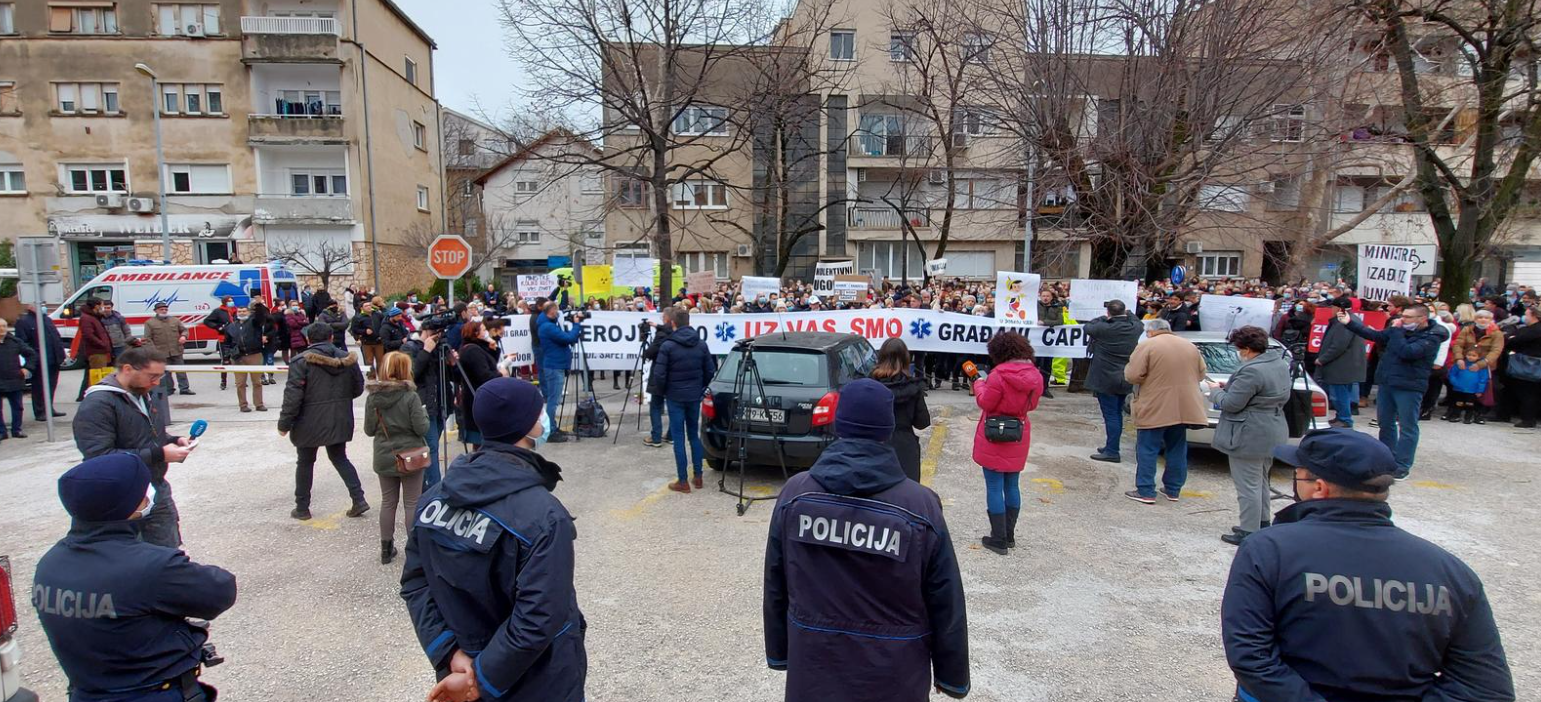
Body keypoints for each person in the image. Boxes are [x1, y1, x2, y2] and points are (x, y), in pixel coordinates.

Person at [1221, 429, 1515, 702]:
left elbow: (1251, 657)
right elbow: (1485, 688)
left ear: (1319, 488)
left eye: (1296, 474)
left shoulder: (1267, 550)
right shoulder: (1451, 573)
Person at [763, 378, 969, 702]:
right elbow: (946, 598)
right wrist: (951, 675)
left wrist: (780, 652)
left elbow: (776, 582)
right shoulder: (921, 506)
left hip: (814, 667)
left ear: (837, 425)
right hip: (895, 675)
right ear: (888, 430)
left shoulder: (795, 495)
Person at [400, 378, 587, 702]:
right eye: (539, 410)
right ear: (526, 425)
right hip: (539, 679)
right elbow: (539, 617)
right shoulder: (544, 516)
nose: (543, 417)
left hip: (462, 672)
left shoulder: (433, 498)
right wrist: (480, 678)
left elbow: (415, 583)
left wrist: (451, 654)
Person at [31, 453, 238, 702]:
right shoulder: (151, 566)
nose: (149, 493)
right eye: (143, 489)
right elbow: (220, 590)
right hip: (154, 692)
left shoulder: (50, 564)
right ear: (129, 503)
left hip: (87, 692)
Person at [74, 346, 193, 548]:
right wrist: (159, 454)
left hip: (156, 487)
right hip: (120, 496)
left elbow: (145, 433)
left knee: (168, 553)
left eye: (160, 377)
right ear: (128, 369)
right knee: (131, 554)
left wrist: (172, 440)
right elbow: (99, 457)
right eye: (152, 376)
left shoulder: (142, 393)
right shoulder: (98, 404)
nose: (156, 383)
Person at [1337, 303, 1448, 479]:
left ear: (1422, 319)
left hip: (1409, 385)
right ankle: (1387, 457)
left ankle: (1403, 464)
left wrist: (1396, 331)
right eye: (1402, 316)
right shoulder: (1399, 330)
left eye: (1407, 317)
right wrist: (1350, 323)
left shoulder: (1432, 336)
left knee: (1407, 425)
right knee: (1385, 422)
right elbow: (1376, 335)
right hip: (1388, 381)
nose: (1402, 320)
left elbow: (1408, 352)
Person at [1204, 326, 1290, 546]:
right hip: (1272, 428)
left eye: (1239, 348)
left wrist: (1215, 391)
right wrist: (1231, 387)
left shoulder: (1252, 371)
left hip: (1249, 432)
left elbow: (1231, 404)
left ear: (1247, 349)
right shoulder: (1279, 363)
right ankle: (1261, 522)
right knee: (1261, 481)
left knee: (1248, 485)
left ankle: (1248, 530)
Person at [279, 322, 369, 521]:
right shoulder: (347, 358)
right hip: (339, 416)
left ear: (308, 339)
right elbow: (357, 388)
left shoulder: (300, 361)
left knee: (305, 462)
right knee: (340, 457)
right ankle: (359, 499)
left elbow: (293, 396)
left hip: (307, 420)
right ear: (331, 337)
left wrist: (284, 424)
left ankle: (302, 507)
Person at [970, 330, 1043, 555]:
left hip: (994, 432)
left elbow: (986, 402)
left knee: (994, 486)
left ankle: (998, 538)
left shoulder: (997, 375)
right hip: (1018, 431)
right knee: (1012, 484)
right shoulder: (1036, 376)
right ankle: (1009, 535)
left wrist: (978, 383)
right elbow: (1032, 405)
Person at [1122, 319, 1208, 504]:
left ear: (1150, 331)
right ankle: (1173, 489)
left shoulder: (1147, 346)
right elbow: (1201, 374)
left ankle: (1145, 490)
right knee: (1177, 447)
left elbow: (1133, 375)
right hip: (1184, 406)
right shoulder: (1189, 346)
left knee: (1147, 448)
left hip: (1155, 404)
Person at [364, 351, 429, 565]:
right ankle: (414, 550)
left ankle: (386, 548)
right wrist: (424, 413)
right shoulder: (410, 397)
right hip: (411, 456)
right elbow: (421, 428)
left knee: (388, 502)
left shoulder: (373, 398)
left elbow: (369, 430)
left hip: (384, 455)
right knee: (412, 502)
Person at [650, 306, 715, 492]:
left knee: (678, 438)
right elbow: (710, 371)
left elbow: (659, 374)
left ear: (672, 323)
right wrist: (700, 388)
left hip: (675, 396)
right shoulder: (701, 344)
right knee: (693, 435)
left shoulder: (668, 346)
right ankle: (698, 476)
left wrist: (665, 391)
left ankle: (683, 481)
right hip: (694, 396)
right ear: (689, 322)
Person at [1084, 300, 1143, 463]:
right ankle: (1111, 445)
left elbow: (1088, 326)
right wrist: (1126, 313)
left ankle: (1112, 451)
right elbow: (1137, 320)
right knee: (1117, 413)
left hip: (1105, 378)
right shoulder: (1134, 328)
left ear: (1108, 312)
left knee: (1111, 415)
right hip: (1125, 376)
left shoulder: (1103, 328)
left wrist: (1104, 318)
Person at [870, 338, 931, 482]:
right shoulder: (913, 388)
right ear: (906, 359)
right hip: (905, 446)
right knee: (907, 491)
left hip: (875, 444)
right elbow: (922, 422)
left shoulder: (870, 386)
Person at [405, 324, 451, 488]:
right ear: (425, 330)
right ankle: (435, 489)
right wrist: (426, 351)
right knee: (431, 448)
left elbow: (448, 377)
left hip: (441, 404)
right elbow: (411, 375)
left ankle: (424, 485)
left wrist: (452, 362)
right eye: (435, 331)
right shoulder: (410, 347)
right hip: (424, 405)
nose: (438, 334)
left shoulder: (440, 349)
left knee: (431, 446)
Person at [536, 301, 584, 442]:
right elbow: (569, 338)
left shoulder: (549, 324)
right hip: (554, 366)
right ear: (551, 311)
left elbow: (564, 338)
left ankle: (553, 427)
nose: (558, 313)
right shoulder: (548, 327)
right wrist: (576, 325)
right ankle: (550, 430)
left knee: (554, 400)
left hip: (556, 365)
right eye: (556, 310)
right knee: (554, 400)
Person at [1314, 296, 1366, 428]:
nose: (1331, 310)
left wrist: (1322, 359)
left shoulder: (1343, 322)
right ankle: (1341, 417)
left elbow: (1339, 345)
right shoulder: (1352, 319)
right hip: (1347, 364)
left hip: (1341, 366)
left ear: (1338, 308)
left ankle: (1344, 419)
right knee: (1342, 393)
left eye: (1332, 307)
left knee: (1339, 394)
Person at [456, 320, 503, 449]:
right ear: (476, 333)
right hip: (477, 398)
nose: (486, 332)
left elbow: (488, 364)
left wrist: (493, 349)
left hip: (478, 397)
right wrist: (501, 374)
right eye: (483, 330)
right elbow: (484, 375)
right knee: (481, 442)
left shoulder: (477, 347)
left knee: (482, 441)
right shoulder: (472, 350)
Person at [1450, 309, 1503, 423]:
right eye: (1480, 317)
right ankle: (1454, 412)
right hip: (1465, 363)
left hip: (1485, 365)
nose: (1483, 320)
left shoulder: (1496, 333)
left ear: (1491, 320)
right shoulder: (1467, 329)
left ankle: (1479, 413)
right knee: (1458, 387)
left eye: (1486, 318)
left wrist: (1481, 363)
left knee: (1483, 389)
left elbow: (1496, 351)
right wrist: (1459, 358)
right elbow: (1458, 344)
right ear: (1475, 319)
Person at [16, 303, 68, 419]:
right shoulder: (24, 321)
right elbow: (22, 342)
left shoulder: (46, 319)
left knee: (51, 385)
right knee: (39, 387)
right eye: (37, 304)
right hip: (38, 361)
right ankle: (40, 411)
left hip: (53, 359)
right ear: (30, 306)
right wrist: (33, 356)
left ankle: (49, 408)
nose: (41, 306)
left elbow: (56, 337)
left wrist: (61, 354)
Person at [142, 301, 193, 396]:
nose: (164, 311)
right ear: (156, 311)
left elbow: (184, 330)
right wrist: (154, 352)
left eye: (165, 309)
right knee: (166, 372)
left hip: (176, 350)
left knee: (181, 371)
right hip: (161, 352)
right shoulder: (150, 323)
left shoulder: (175, 320)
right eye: (161, 309)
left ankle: (184, 388)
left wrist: (183, 336)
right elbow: (147, 339)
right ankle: (169, 389)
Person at [225, 303, 268, 412]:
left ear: (248, 312)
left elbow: (261, 316)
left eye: (244, 311)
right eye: (240, 311)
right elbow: (227, 343)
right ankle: (243, 405)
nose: (242, 313)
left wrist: (258, 306)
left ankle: (259, 404)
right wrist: (227, 356)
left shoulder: (254, 322)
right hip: (238, 358)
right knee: (240, 383)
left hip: (254, 355)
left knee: (257, 382)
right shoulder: (231, 326)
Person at [0, 317, 37, 439]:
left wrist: (27, 368)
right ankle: (2, 431)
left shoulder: (15, 341)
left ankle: (17, 429)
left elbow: (31, 354)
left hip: (14, 379)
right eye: (0, 327)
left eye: (4, 326)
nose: (2, 329)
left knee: (17, 406)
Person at [639, 317, 670, 448]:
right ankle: (671, 435)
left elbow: (650, 352)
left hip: (659, 374)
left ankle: (656, 437)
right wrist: (657, 326)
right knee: (673, 406)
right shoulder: (676, 332)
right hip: (674, 376)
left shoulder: (662, 335)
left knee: (656, 406)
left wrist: (645, 352)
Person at [74, 298, 113, 401]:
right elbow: (89, 335)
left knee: (96, 375)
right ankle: (95, 397)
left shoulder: (93, 317)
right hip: (96, 352)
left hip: (100, 351)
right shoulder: (87, 318)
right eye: (102, 305)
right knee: (96, 375)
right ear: (96, 306)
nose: (103, 308)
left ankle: (90, 395)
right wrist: (102, 344)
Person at [1446, 347, 1491, 425]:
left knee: (1470, 404)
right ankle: (1455, 415)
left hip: (1472, 390)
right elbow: (1452, 374)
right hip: (1459, 389)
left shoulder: (1481, 367)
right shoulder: (1460, 364)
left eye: (1474, 355)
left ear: (1479, 357)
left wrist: (1480, 390)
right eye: (1469, 355)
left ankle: (1468, 417)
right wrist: (1455, 383)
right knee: (1458, 403)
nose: (1470, 357)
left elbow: (1483, 379)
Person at [202, 295, 237, 391]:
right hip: (224, 339)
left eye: (232, 300)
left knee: (237, 360)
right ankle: (223, 382)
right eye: (229, 301)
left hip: (235, 339)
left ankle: (239, 380)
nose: (231, 302)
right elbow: (207, 321)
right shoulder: (218, 311)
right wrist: (218, 327)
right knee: (225, 361)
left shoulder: (236, 311)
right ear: (224, 302)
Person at [1035, 288, 1064, 398]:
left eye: (1047, 296)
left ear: (1051, 297)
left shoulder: (1057, 307)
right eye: (1043, 296)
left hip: (1049, 341)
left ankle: (1044, 388)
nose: (1045, 298)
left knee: (1047, 365)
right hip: (1036, 340)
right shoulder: (1035, 306)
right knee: (1034, 364)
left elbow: (1060, 321)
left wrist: (1045, 323)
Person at [352, 301, 384, 379]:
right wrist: (364, 331)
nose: (369, 307)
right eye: (366, 306)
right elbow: (354, 330)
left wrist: (382, 335)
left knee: (381, 361)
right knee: (368, 361)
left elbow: (383, 325)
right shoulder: (358, 317)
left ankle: (382, 377)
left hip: (379, 342)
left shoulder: (378, 315)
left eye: (369, 305)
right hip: (366, 342)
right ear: (362, 308)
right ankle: (371, 377)